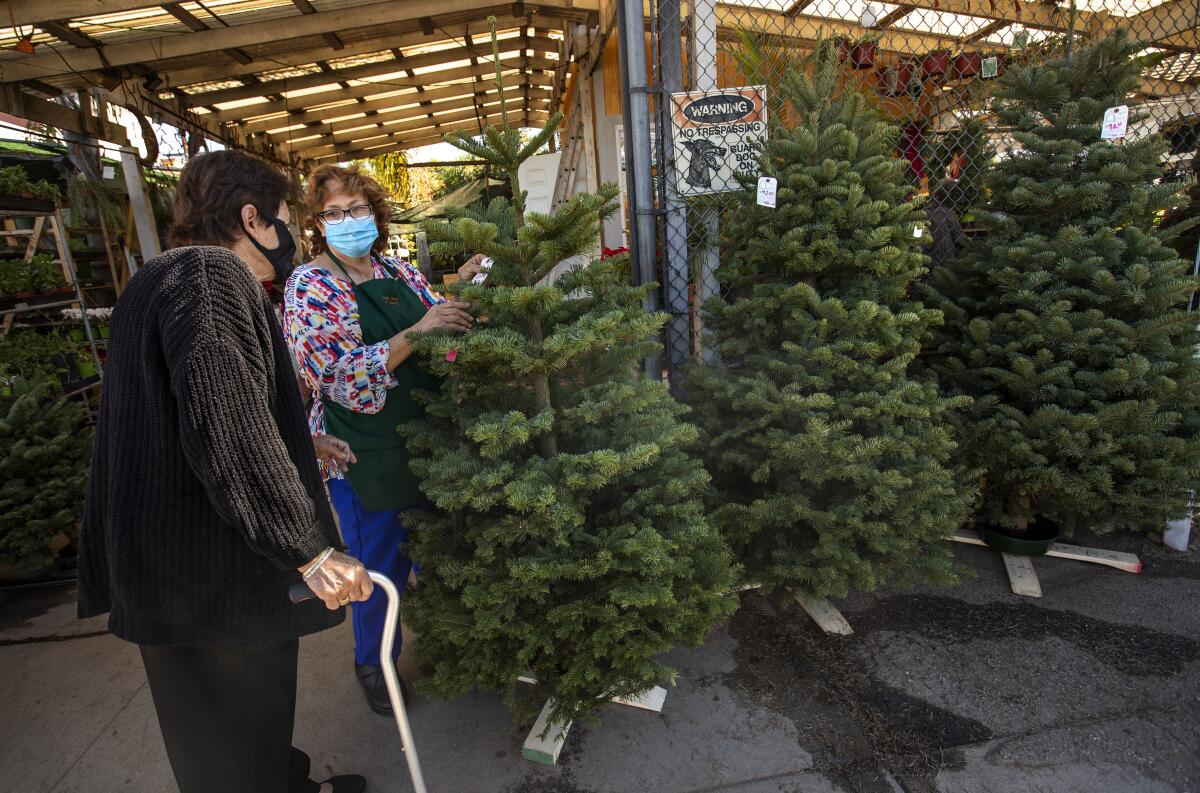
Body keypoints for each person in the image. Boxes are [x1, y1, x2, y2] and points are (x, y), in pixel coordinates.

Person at [77, 149, 372, 793]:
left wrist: (300, 442)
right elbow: (222, 425)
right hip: (209, 575)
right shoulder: (211, 279)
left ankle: (288, 781)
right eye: (286, 217)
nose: (291, 233)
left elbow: (191, 407)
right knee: (232, 747)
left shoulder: (161, 279)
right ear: (253, 217)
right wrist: (308, 551)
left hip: (171, 568)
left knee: (236, 728)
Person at [284, 164, 482, 714]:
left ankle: (454, 641)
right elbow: (336, 377)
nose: (349, 220)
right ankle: (374, 662)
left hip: (427, 437)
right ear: (317, 223)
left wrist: (460, 296)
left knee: (441, 550)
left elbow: (440, 329)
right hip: (362, 448)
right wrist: (418, 332)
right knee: (378, 566)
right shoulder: (311, 285)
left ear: (376, 214)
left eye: (358, 208)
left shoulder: (399, 270)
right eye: (335, 212)